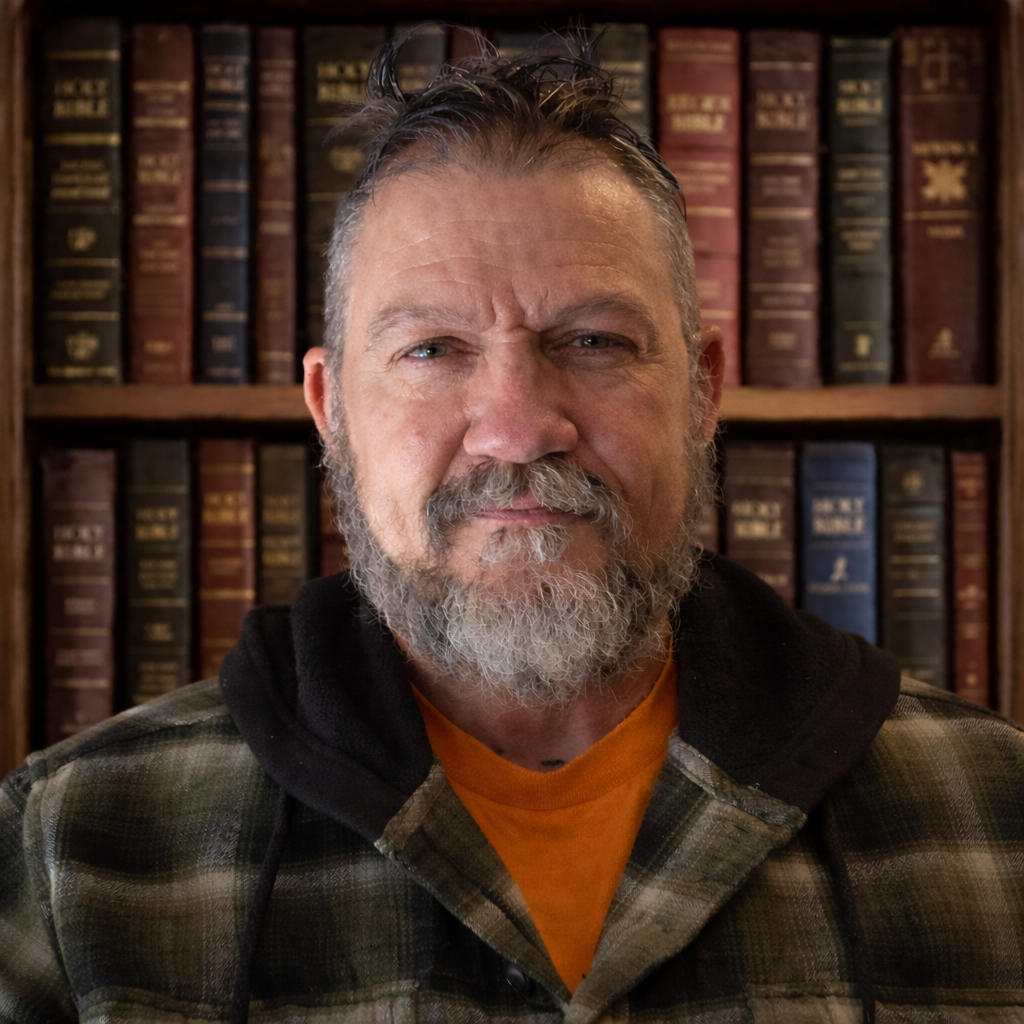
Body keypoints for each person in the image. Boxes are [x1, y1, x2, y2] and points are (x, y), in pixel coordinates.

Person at [3, 31, 1024, 1024]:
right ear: (331, 410)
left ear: (702, 391)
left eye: (592, 339)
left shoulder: (994, 816)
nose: (518, 427)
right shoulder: (70, 855)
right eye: (433, 348)